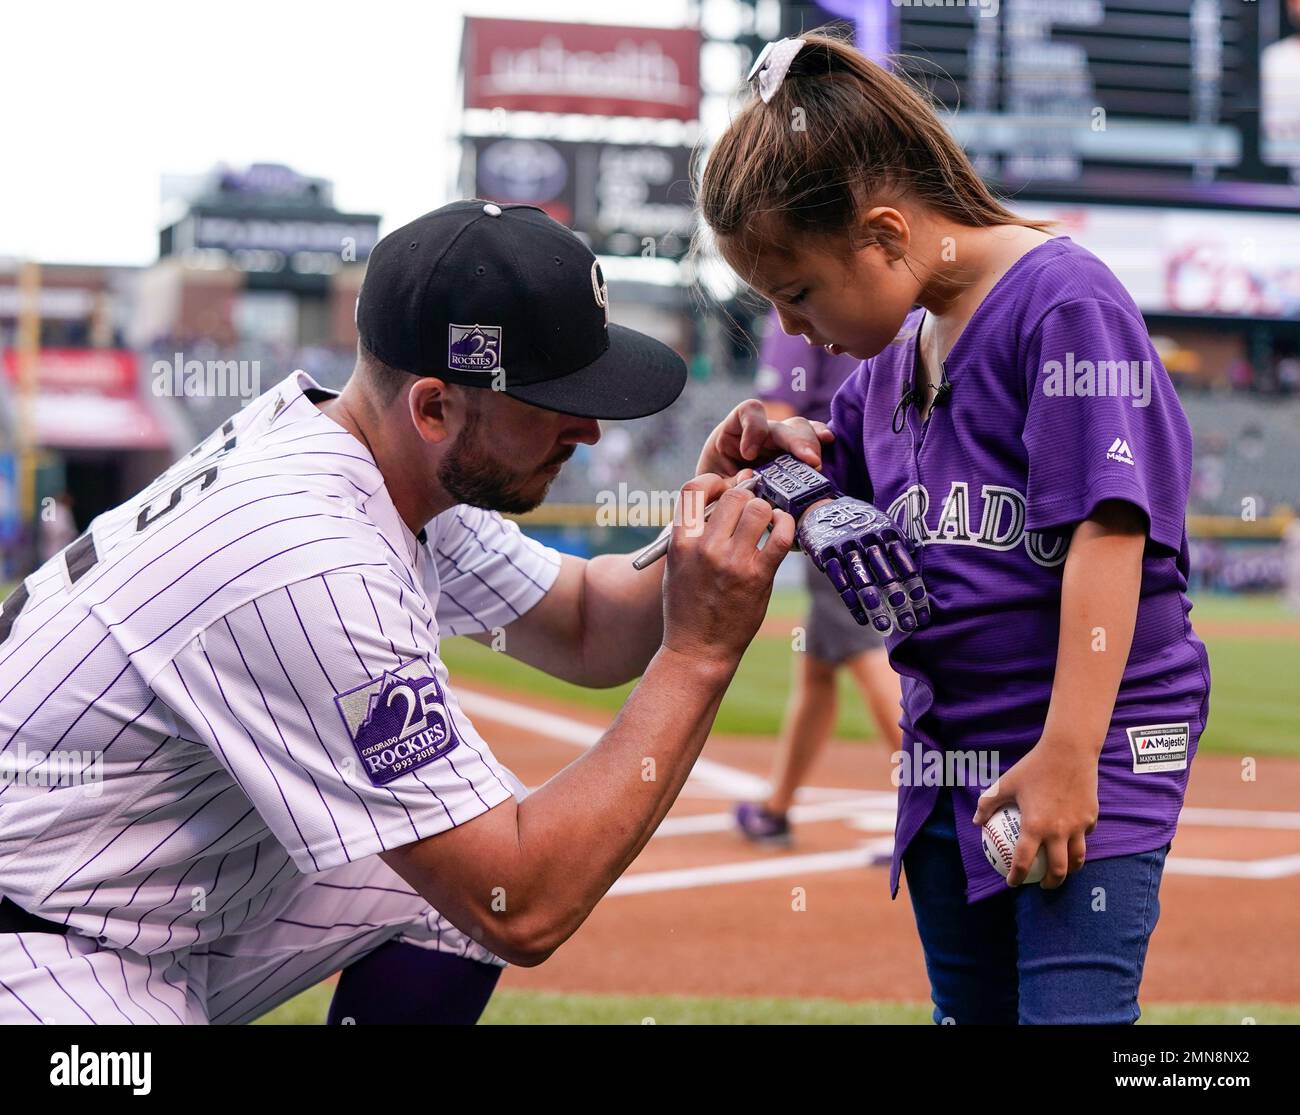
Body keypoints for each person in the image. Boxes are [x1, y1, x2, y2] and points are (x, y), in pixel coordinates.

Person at [0, 201, 817, 1025]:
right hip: (40, 941)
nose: (592, 427)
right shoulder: (310, 554)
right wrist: (699, 654)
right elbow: (521, 901)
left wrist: (703, 519)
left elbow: (585, 623)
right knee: (487, 872)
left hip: (139, 899)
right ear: (433, 408)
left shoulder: (375, 456)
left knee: (442, 882)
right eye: (554, 397)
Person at [696, 32, 1210, 1024]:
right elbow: (829, 459)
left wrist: (1068, 754)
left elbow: (1113, 530)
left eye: (796, 292)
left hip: (1086, 739)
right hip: (948, 758)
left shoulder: (1062, 301)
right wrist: (772, 440)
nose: (793, 330)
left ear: (886, 235)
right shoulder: (892, 362)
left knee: (1073, 1016)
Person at [734, 313, 903, 846]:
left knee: (870, 653)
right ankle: (776, 808)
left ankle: (934, 799)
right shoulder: (893, 308)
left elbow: (775, 422)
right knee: (820, 670)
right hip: (884, 495)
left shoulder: (796, 316)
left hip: (833, 509)